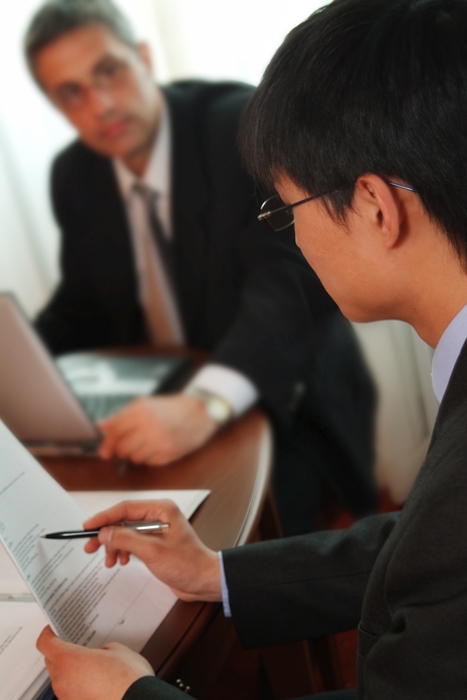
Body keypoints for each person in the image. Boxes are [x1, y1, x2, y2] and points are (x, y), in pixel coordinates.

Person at [36, 0, 467, 697]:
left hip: (290, 405)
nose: (290, 236)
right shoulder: (75, 176)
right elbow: (433, 548)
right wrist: (215, 571)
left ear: (374, 207)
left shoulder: (225, 125)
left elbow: (280, 296)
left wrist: (130, 696)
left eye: (285, 211)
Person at [24, 0, 377, 535]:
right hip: (159, 397)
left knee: (250, 567)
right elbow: (83, 303)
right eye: (72, 93)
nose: (99, 105)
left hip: (283, 392)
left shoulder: (235, 128)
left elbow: (290, 282)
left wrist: (205, 403)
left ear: (143, 57)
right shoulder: (74, 174)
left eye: (109, 71)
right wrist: (20, 364)